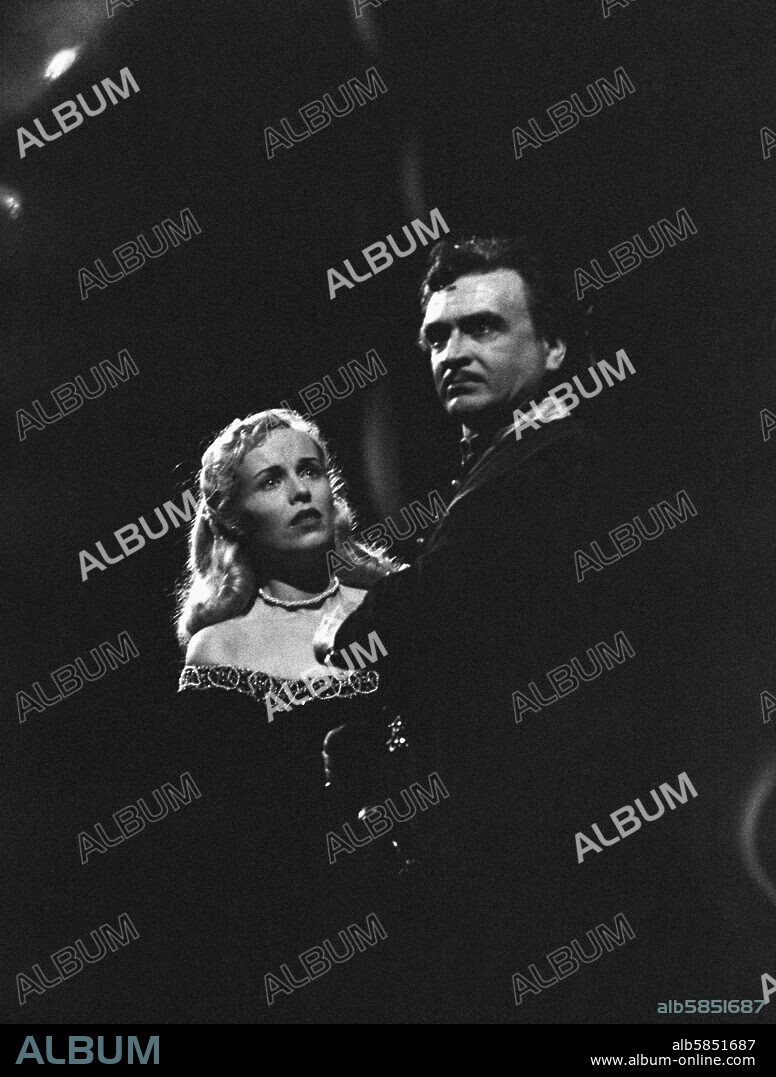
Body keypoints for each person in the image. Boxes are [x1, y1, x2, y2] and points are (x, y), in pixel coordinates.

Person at [323, 236, 688, 1021]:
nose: (453, 352)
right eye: (436, 336)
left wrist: (349, 607)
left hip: (544, 880)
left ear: (554, 347)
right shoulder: (502, 468)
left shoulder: (551, 463)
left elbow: (411, 624)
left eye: (483, 327)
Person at [121, 408, 409, 1022]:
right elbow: (223, 843)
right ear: (233, 518)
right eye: (271, 480)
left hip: (419, 899)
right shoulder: (221, 649)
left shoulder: (396, 606)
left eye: (310, 471)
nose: (300, 491)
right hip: (299, 929)